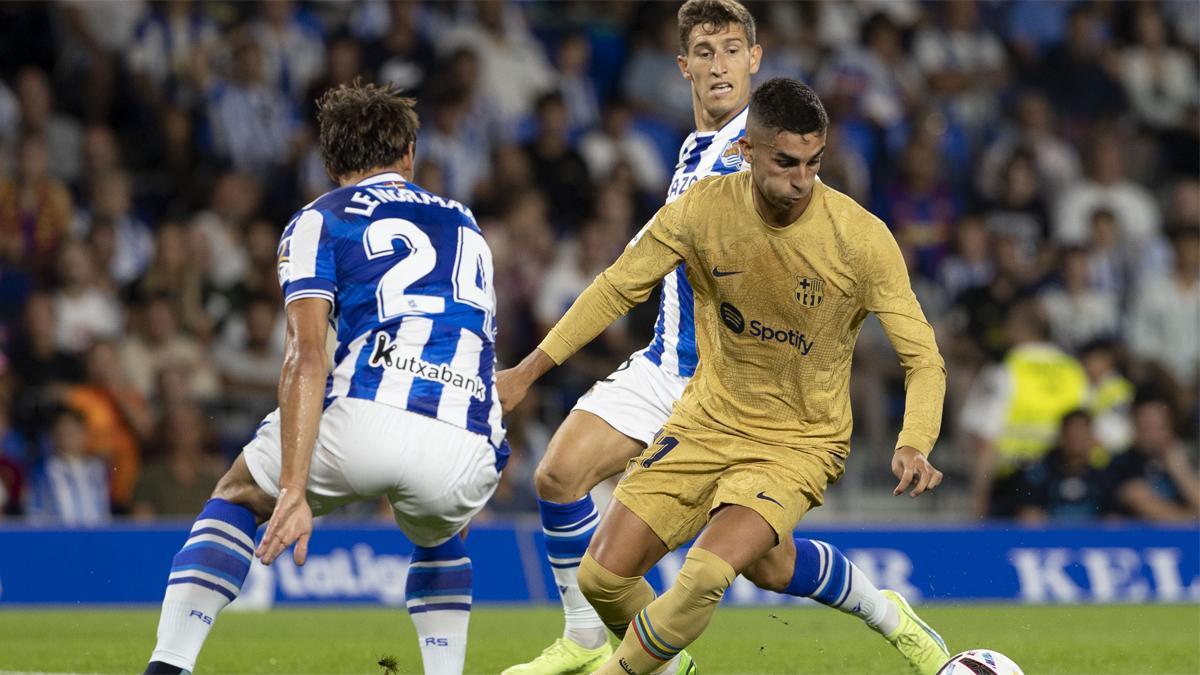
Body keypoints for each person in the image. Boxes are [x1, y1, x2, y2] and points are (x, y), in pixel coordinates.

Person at [500, 78, 951, 675]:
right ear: (745, 152)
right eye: (786, 163)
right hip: (707, 418)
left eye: (814, 164)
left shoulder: (860, 239)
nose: (802, 181)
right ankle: (875, 614)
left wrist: (914, 439)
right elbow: (615, 289)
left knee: (707, 572)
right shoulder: (703, 212)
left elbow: (923, 357)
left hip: (799, 439)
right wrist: (528, 372)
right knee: (603, 578)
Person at [142, 82, 507, 675]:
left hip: (367, 414)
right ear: (409, 153)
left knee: (239, 492)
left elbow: (305, 355)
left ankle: (168, 666)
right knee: (443, 531)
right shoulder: (466, 222)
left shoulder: (321, 219)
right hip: (468, 433)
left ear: (331, 161)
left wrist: (291, 487)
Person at [504, 2, 763, 671]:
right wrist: (530, 369)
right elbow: (634, 273)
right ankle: (586, 640)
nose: (718, 65)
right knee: (558, 474)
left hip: (725, 391)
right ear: (682, 67)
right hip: (661, 365)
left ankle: (891, 617)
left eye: (732, 49)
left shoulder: (766, 153)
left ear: (755, 59)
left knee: (775, 563)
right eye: (704, 53)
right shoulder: (690, 149)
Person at [1107, 399, 1200, 522]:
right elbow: (1149, 509)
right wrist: (1191, 517)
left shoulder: (1186, 459)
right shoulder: (1123, 464)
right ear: (1135, 429)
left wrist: (1180, 470)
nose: (1153, 436)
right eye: (1147, 428)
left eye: (1159, 428)